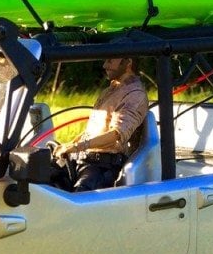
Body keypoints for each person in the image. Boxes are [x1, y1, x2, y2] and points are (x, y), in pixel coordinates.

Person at [52, 54, 150, 192]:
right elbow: (95, 130)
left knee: (77, 200)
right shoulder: (111, 90)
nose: (105, 65)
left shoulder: (135, 94)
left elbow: (116, 134)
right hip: (85, 160)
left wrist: (76, 146)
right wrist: (69, 146)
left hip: (102, 167)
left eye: (110, 60)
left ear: (128, 62)